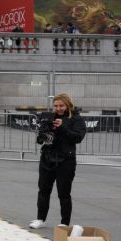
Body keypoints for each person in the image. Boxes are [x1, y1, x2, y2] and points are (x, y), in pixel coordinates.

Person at [29, 93, 86, 230]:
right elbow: (41, 139)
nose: (58, 108)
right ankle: (40, 219)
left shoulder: (76, 119)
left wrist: (63, 127)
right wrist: (42, 133)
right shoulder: (50, 117)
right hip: (47, 158)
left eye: (61, 106)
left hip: (66, 160)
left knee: (64, 192)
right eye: (56, 106)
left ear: (68, 105)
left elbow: (77, 138)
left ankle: (64, 223)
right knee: (43, 190)